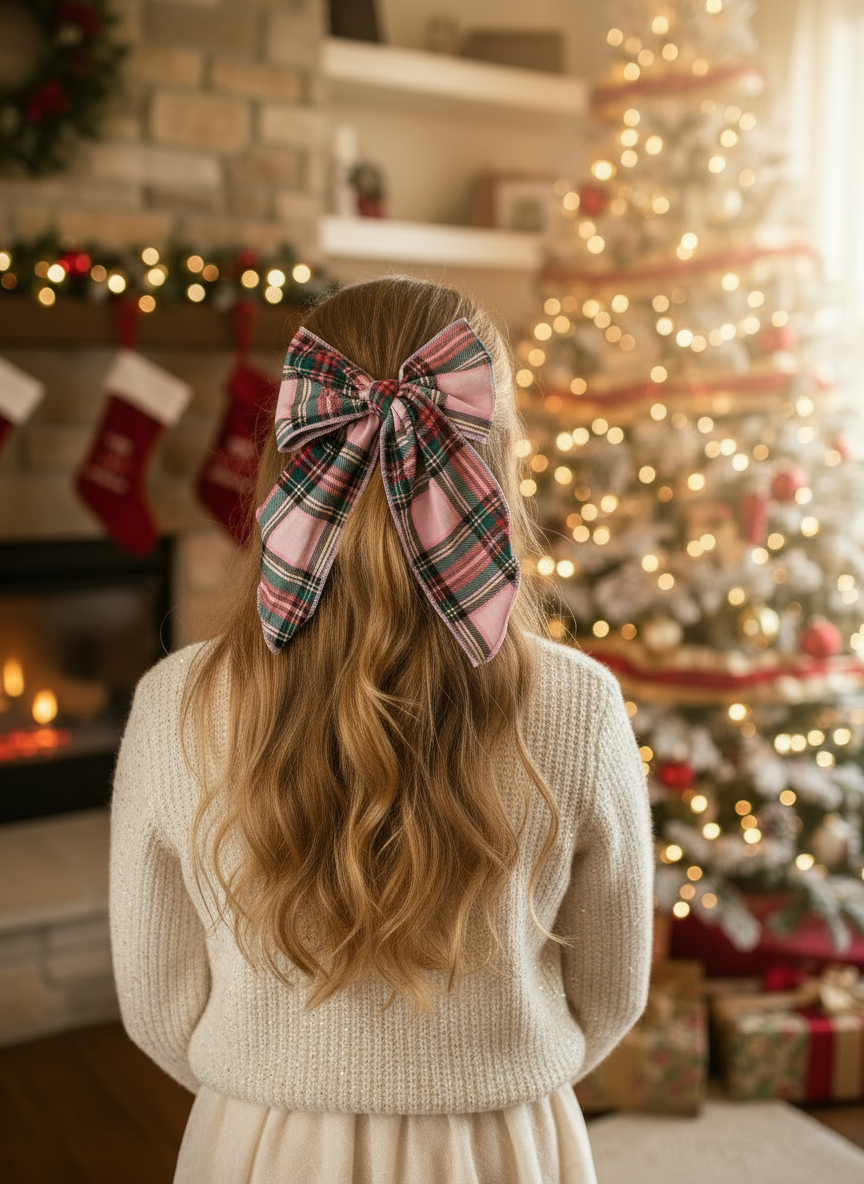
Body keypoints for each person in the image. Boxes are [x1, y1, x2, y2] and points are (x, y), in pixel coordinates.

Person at [109, 276, 654, 1184]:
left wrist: (278, 1077)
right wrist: (488, 1076)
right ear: (495, 454)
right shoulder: (582, 706)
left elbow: (158, 1008)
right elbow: (612, 993)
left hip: (261, 1144)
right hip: (504, 1143)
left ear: (293, 448)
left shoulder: (175, 703)